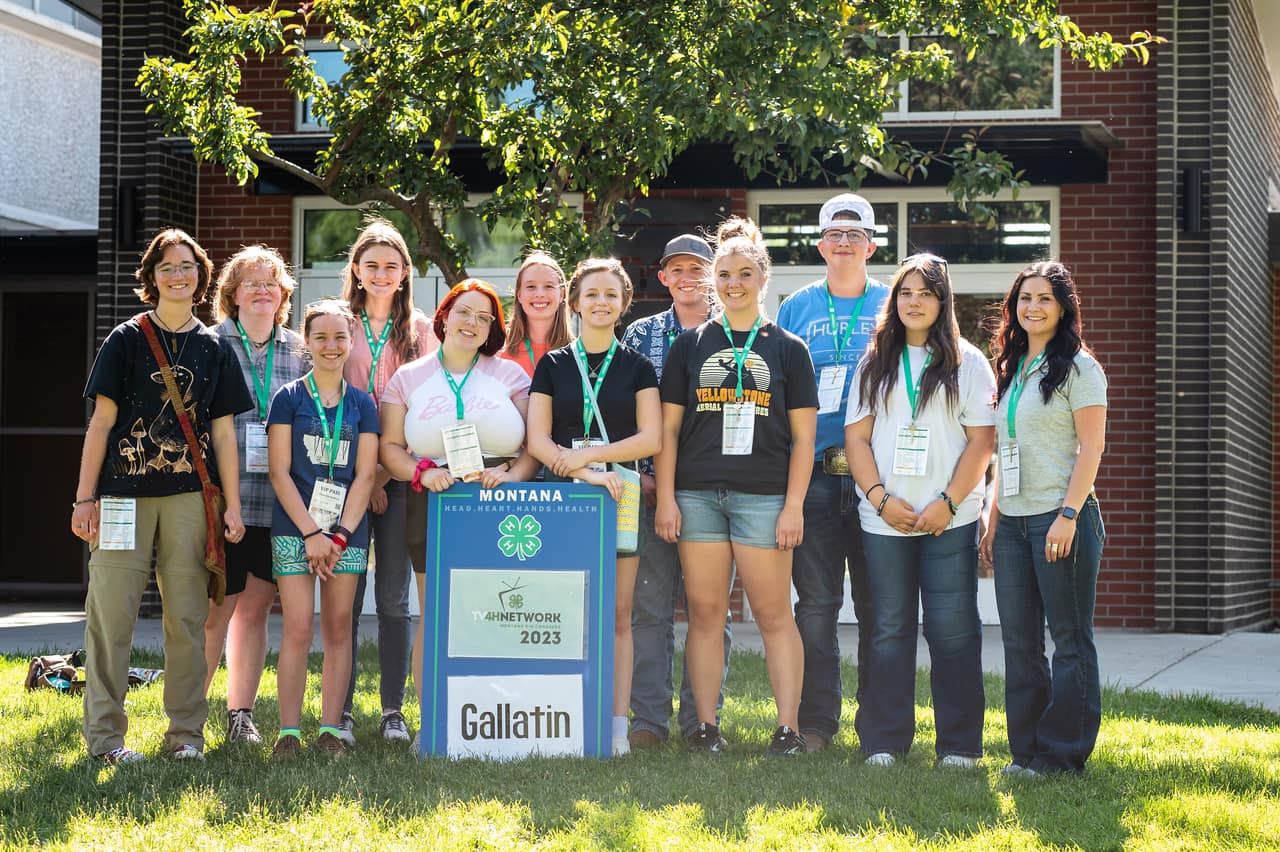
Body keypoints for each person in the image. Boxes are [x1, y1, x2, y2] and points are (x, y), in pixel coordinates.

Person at [72, 228, 253, 763]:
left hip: (189, 498)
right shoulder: (125, 339)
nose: (179, 275)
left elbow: (222, 434)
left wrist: (233, 505)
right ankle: (106, 741)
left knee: (188, 618)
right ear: (151, 278)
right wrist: (84, 500)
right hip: (122, 495)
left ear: (201, 276)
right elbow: (101, 425)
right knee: (112, 617)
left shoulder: (216, 346)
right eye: (167, 267)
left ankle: (186, 738)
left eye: (188, 266)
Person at [655, 217, 816, 757]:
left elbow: (802, 439)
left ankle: (788, 729)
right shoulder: (689, 346)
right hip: (698, 497)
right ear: (712, 282)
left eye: (745, 274)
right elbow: (670, 431)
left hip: (765, 499)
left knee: (774, 615)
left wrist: (793, 505)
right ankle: (705, 727)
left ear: (763, 279)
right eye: (724, 274)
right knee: (704, 614)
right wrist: (670, 498)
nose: (733, 284)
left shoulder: (790, 348)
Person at [844, 254, 995, 768]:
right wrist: (881, 499)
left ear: (942, 301)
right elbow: (856, 439)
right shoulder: (873, 363)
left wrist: (948, 503)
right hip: (883, 519)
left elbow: (982, 442)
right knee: (888, 627)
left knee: (953, 628)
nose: (914, 301)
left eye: (926, 293)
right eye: (906, 292)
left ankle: (959, 745)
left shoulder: (968, 363)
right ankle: (885, 742)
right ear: (895, 299)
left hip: (949, 520)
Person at [379, 278, 540, 700]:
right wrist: (420, 472)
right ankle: (432, 715)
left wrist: (512, 475)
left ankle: (494, 710)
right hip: (434, 499)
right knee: (436, 613)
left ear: (492, 330)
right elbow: (390, 448)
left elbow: (533, 446)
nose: (472, 323)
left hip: (499, 501)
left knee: (501, 608)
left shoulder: (512, 374)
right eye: (464, 312)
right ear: (445, 316)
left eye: (483, 318)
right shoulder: (408, 377)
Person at [528, 257, 661, 756]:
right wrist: (582, 471)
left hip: (619, 496)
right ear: (575, 303)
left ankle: (615, 725)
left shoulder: (639, 366)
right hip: (565, 496)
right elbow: (537, 439)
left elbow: (650, 438)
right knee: (563, 611)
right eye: (591, 295)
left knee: (619, 616)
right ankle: (558, 714)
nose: (600, 303)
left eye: (611, 295)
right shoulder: (553, 365)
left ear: (623, 304)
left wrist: (593, 457)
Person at [979, 261, 1107, 777]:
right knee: (1020, 642)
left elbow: (1091, 446)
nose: (1032, 307)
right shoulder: (1010, 368)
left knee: (1070, 640)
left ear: (1063, 308)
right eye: (1024, 298)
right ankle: (1027, 751)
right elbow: (1002, 450)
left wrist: (1069, 514)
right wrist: (992, 516)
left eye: (1044, 299)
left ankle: (1063, 755)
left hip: (1062, 518)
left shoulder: (1080, 367)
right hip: (1012, 523)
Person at [775, 192, 891, 752]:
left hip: (878, 476)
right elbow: (775, 390)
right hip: (814, 474)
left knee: (876, 606)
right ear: (821, 244)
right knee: (817, 607)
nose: (844, 243)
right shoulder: (795, 307)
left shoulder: (895, 303)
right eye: (834, 234)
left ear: (871, 245)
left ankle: (878, 727)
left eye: (855, 234)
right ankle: (818, 723)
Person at [621, 234, 732, 748]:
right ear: (662, 278)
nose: (688, 277)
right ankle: (648, 720)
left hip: (713, 492)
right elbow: (624, 413)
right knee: (651, 609)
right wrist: (638, 474)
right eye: (677, 270)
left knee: (711, 611)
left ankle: (701, 719)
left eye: (698, 269)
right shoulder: (640, 335)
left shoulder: (735, 333)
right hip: (646, 493)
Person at [268, 299, 380, 760]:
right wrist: (313, 533)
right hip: (296, 529)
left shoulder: (363, 403)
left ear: (351, 342)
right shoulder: (288, 398)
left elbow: (366, 476)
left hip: (346, 533)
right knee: (297, 628)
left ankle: (331, 729)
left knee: (338, 629)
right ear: (306, 343)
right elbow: (279, 473)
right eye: (321, 337)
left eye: (340, 337)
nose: (331, 346)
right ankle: (289, 733)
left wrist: (337, 536)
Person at [339, 219, 437, 746]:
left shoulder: (421, 331)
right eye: (371, 264)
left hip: (400, 478)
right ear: (356, 269)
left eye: (391, 266)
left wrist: (382, 472)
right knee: (348, 598)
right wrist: (365, 474)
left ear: (404, 274)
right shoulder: (341, 324)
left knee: (394, 599)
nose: (380, 274)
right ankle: (344, 708)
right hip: (347, 476)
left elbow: (426, 407)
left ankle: (393, 710)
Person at [205, 245, 308, 745]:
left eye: (271, 282)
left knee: (255, 609)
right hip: (227, 501)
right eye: (251, 282)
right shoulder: (211, 344)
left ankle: (239, 714)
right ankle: (188, 717)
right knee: (216, 610)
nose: (262, 290)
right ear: (232, 294)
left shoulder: (300, 351)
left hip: (280, 500)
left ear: (284, 294)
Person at [501, 251, 573, 377]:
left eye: (548, 286)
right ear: (519, 295)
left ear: (561, 294)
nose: (540, 293)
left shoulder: (577, 354)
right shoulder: (499, 350)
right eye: (531, 286)